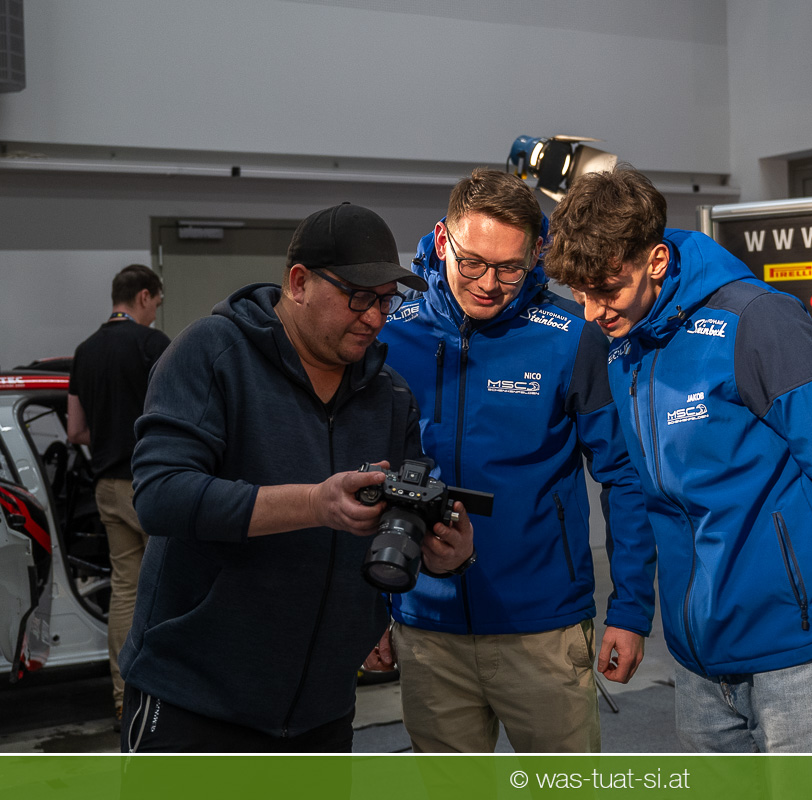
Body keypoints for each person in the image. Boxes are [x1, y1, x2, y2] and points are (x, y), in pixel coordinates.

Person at [545, 167, 812, 753]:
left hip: (797, 645)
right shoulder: (624, 344)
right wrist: (642, 612)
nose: (592, 313)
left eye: (606, 289)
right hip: (697, 653)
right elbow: (646, 493)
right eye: (580, 295)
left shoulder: (758, 320)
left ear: (656, 261)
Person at [118, 202, 475, 752]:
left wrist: (446, 556)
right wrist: (314, 504)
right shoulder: (213, 353)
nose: (375, 318)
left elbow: (399, 519)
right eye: (359, 297)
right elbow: (161, 496)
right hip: (195, 699)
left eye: (385, 300)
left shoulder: (389, 395)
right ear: (300, 282)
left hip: (322, 711)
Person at [370, 168, 656, 753]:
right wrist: (369, 607)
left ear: (537, 253)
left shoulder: (571, 337)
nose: (488, 284)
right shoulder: (390, 339)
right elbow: (360, 478)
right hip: (427, 624)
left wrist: (630, 609)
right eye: (473, 262)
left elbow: (623, 477)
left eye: (509, 269)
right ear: (442, 239)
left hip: (544, 629)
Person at [67, 263, 170, 731]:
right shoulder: (152, 345)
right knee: (171, 588)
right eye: (157, 304)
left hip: (107, 488)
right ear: (144, 296)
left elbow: (75, 430)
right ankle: (166, 704)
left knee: (125, 592)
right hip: (151, 486)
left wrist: (109, 437)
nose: (155, 314)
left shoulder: (84, 351)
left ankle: (123, 701)